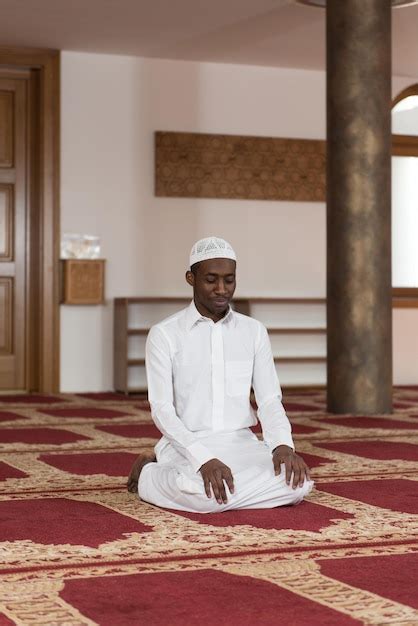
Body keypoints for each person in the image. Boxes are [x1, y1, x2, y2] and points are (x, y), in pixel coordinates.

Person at [127, 236, 313, 512]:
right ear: (191, 278)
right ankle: (149, 474)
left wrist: (282, 446)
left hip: (240, 441)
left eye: (229, 280)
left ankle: (207, 490)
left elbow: (270, 399)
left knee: (298, 485)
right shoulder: (165, 334)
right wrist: (202, 459)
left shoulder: (253, 331)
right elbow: (162, 410)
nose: (221, 289)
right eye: (211, 279)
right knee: (206, 497)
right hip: (186, 443)